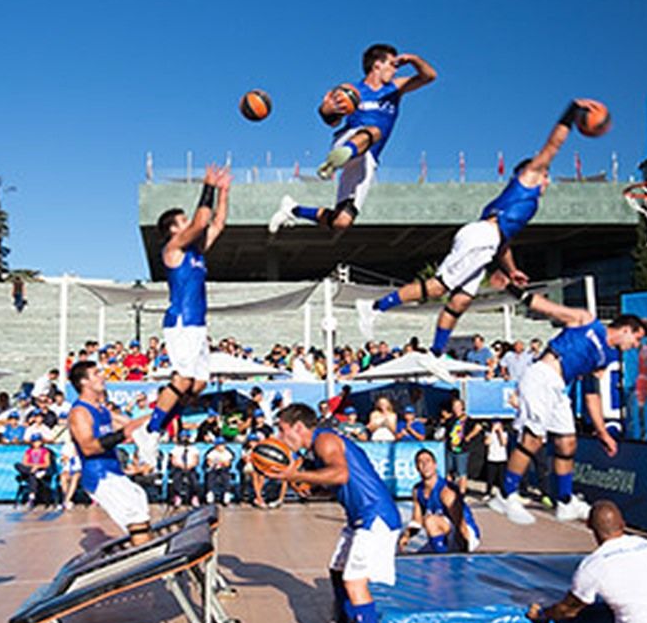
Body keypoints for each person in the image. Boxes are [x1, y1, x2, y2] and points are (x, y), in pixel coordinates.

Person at [355, 101, 598, 357]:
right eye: (546, 174)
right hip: (482, 238)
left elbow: (503, 244)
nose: (547, 179)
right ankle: (373, 307)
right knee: (437, 287)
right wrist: (571, 113)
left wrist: (512, 270)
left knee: (460, 302)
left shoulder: (519, 205)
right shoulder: (528, 178)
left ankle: (437, 353)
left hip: (488, 242)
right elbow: (554, 145)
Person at [272, 404, 402, 623]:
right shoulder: (318, 447)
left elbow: (340, 474)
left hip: (375, 516)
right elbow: (337, 483)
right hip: (360, 516)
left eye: (283, 430)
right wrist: (310, 487)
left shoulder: (324, 440)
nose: (281, 437)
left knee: (355, 582)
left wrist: (296, 476)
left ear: (298, 426)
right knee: (337, 569)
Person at [492, 295, 647, 524]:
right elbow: (549, 308)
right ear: (626, 329)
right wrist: (515, 290)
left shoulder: (607, 357)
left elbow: (591, 394)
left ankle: (564, 502)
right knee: (533, 439)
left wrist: (602, 432)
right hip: (541, 376)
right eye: (636, 339)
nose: (635, 346)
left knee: (567, 442)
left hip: (559, 387)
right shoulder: (588, 322)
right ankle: (505, 495)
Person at [269, 44, 436, 233]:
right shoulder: (351, 91)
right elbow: (330, 119)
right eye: (392, 64)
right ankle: (340, 157)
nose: (396, 68)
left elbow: (429, 76)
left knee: (342, 222)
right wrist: (327, 109)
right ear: (377, 65)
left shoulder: (394, 89)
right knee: (375, 131)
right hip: (349, 140)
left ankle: (293, 209)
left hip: (368, 158)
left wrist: (413, 59)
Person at [134, 165, 232, 465]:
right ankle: (150, 432)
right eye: (183, 221)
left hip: (197, 324)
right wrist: (208, 187)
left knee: (197, 385)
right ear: (174, 229)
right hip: (181, 321)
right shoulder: (172, 248)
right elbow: (203, 220)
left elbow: (217, 224)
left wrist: (224, 192)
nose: (189, 222)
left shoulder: (196, 252)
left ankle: (157, 427)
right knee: (184, 377)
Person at [66, 360, 155, 544]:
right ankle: (150, 563)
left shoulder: (102, 409)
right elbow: (88, 447)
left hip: (114, 472)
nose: (103, 376)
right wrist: (122, 435)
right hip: (100, 476)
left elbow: (131, 424)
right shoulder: (79, 412)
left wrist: (165, 412)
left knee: (140, 509)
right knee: (136, 518)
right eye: (96, 373)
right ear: (84, 382)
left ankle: (147, 557)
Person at [400, 449, 480, 553]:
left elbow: (460, 523)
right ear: (417, 467)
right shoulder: (417, 490)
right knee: (419, 560)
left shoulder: (446, 492)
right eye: (421, 462)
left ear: (435, 465)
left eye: (428, 461)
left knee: (430, 521)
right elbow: (417, 521)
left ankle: (442, 559)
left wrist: (463, 554)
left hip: (465, 534)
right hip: (444, 531)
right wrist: (406, 536)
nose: (425, 465)